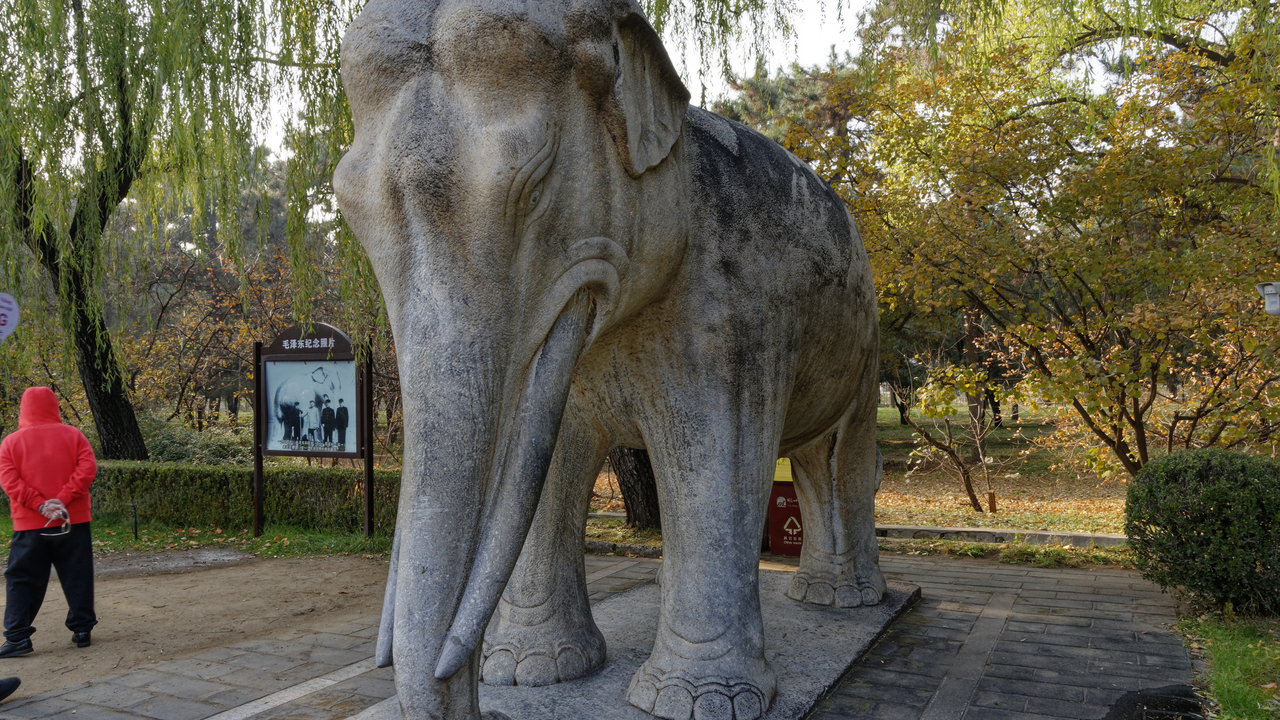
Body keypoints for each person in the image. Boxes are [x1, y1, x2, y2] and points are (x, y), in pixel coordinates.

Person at [0, 387, 98, 658]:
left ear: (23, 408)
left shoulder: (10, 442)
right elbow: (87, 468)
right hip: (73, 520)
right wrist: (62, 500)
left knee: (22, 579)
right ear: (54, 406)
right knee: (77, 575)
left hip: (30, 524)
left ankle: (18, 637)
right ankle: (82, 630)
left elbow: (9, 481)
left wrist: (41, 505)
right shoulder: (74, 435)